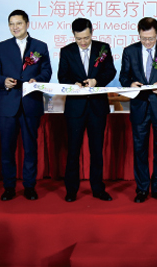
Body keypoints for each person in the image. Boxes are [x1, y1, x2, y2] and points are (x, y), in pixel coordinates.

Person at [0, 10, 52, 201]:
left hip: (30, 103)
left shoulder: (40, 46)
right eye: (11, 24)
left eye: (18, 23)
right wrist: (3, 81)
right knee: (7, 149)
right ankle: (9, 187)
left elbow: (47, 72)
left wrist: (37, 80)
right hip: (8, 104)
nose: (15, 27)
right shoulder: (2, 47)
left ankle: (29, 186)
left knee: (30, 148)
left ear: (27, 24)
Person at [119, 17, 157, 203]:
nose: (147, 42)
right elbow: (123, 77)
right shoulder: (129, 51)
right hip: (139, 106)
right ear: (139, 34)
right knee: (140, 149)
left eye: (151, 38)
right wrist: (131, 84)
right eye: (144, 38)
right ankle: (142, 189)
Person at [57, 18, 117, 202]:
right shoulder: (66, 51)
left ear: (92, 32)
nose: (83, 42)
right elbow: (62, 76)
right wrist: (73, 84)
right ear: (73, 36)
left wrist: (96, 81)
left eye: (86, 37)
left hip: (97, 107)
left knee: (96, 150)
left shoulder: (102, 48)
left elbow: (111, 71)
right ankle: (71, 190)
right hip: (75, 108)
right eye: (79, 38)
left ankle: (98, 188)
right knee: (73, 150)